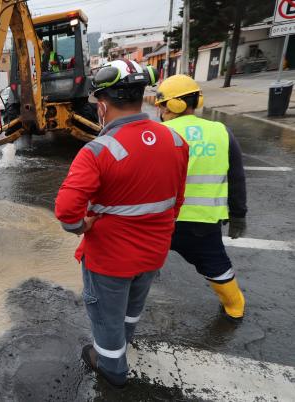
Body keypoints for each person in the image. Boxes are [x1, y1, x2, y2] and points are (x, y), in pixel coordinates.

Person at [55, 59, 188, 387]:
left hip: (110, 259)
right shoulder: (176, 142)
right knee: (132, 307)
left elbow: (66, 210)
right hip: (154, 252)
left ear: (102, 105)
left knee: (105, 316)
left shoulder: (97, 151)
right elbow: (177, 202)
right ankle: (124, 341)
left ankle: (112, 367)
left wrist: (80, 227)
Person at [156, 74, 247, 320]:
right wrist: (239, 215)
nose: (161, 111)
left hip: (160, 222)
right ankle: (234, 307)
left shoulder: (158, 134)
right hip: (203, 223)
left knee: (142, 263)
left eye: (162, 105)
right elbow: (236, 178)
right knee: (217, 266)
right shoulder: (221, 132)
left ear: (173, 105)